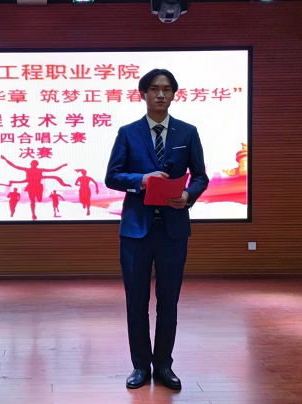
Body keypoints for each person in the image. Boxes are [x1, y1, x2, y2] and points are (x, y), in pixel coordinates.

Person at [104, 68, 210, 391]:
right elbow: (112, 176)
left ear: (174, 94)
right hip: (136, 231)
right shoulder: (128, 133)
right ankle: (140, 366)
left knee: (168, 302)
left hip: (173, 230)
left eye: (166, 89)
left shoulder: (187, 133)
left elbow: (201, 176)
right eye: (153, 88)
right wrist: (141, 180)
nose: (160, 94)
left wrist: (188, 195)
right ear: (143, 94)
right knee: (136, 303)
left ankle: (164, 365)